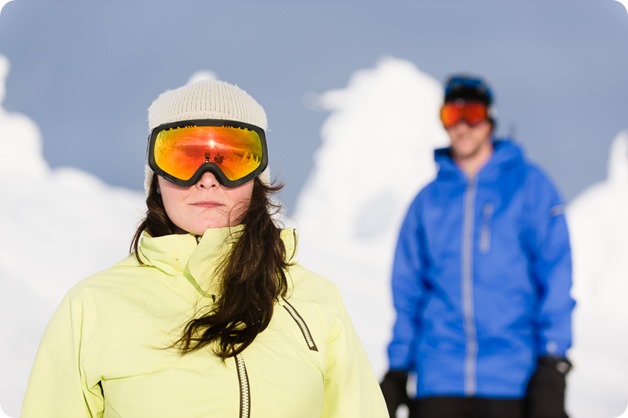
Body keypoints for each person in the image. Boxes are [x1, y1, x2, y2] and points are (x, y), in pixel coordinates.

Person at [21, 79, 388, 418]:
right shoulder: (92, 306)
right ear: (157, 177)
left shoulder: (313, 300)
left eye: (231, 158)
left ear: (257, 176)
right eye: (183, 158)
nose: (208, 180)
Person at [379, 74, 575, 418]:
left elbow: (556, 274)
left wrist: (553, 363)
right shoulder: (428, 202)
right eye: (452, 117)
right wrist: (398, 370)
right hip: (439, 381)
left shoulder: (530, 186)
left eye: (472, 114)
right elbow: (408, 293)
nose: (463, 127)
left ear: (490, 118)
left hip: (513, 380)